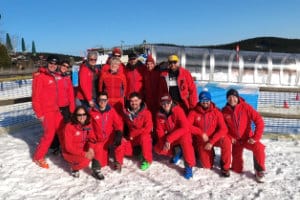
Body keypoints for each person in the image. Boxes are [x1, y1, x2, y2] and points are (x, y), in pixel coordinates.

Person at [222, 88, 266, 183]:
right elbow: (223, 128)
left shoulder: (246, 107)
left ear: (238, 97)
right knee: (236, 169)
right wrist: (230, 137)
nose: (232, 99)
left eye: (234, 97)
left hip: (247, 139)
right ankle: (234, 163)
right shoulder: (224, 111)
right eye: (229, 97)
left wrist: (255, 137)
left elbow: (259, 121)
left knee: (259, 147)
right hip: (236, 141)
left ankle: (259, 170)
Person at [188, 90, 231, 177]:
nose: (205, 103)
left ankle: (225, 167)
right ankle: (206, 152)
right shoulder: (193, 112)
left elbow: (224, 128)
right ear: (199, 101)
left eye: (207, 100)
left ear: (210, 100)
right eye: (203, 101)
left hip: (214, 138)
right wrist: (201, 133)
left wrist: (212, 141)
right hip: (202, 140)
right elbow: (187, 126)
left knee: (226, 140)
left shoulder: (216, 112)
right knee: (207, 166)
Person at [31, 55, 64, 168]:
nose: (53, 65)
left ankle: (62, 150)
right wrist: (39, 114)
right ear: (47, 63)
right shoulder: (40, 77)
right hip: (46, 111)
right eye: (51, 63)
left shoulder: (53, 76)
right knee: (49, 135)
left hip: (55, 110)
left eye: (55, 64)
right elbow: (35, 98)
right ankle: (38, 157)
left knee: (62, 129)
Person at [154, 94, 195, 179]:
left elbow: (185, 127)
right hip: (171, 136)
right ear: (161, 104)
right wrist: (164, 142)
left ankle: (189, 166)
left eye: (168, 103)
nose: (166, 105)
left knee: (186, 141)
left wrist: (169, 140)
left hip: (182, 134)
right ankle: (176, 152)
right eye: (163, 103)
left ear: (171, 102)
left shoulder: (178, 110)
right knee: (158, 149)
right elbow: (159, 131)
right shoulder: (159, 114)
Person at [61, 106, 103, 180]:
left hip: (83, 147)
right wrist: (85, 154)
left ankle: (96, 168)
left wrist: (91, 148)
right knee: (85, 160)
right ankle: (74, 168)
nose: (82, 117)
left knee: (98, 146)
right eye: (79, 115)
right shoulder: (69, 127)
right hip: (71, 152)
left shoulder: (87, 124)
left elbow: (92, 138)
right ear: (75, 116)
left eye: (84, 114)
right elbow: (68, 147)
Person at [89, 92, 125, 173]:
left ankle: (118, 161)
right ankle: (106, 153)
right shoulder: (92, 112)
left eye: (104, 100)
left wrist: (119, 133)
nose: (102, 102)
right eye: (100, 100)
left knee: (121, 142)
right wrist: (93, 138)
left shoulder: (111, 110)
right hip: (99, 139)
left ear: (107, 100)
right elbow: (89, 127)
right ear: (97, 100)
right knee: (102, 164)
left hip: (110, 136)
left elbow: (118, 123)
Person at [50, 60, 76, 154]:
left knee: (65, 127)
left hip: (66, 107)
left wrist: (72, 108)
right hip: (56, 107)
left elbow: (71, 94)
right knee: (55, 127)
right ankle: (55, 146)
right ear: (59, 65)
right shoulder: (53, 76)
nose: (65, 67)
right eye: (63, 65)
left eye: (67, 66)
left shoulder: (67, 78)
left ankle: (65, 145)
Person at [122, 92, 153, 171]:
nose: (134, 103)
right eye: (132, 101)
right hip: (133, 139)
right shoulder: (127, 113)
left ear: (140, 101)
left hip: (142, 138)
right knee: (121, 144)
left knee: (145, 137)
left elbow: (148, 128)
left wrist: (134, 133)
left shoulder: (146, 113)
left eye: (136, 100)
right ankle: (139, 152)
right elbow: (124, 126)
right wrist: (124, 136)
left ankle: (147, 160)